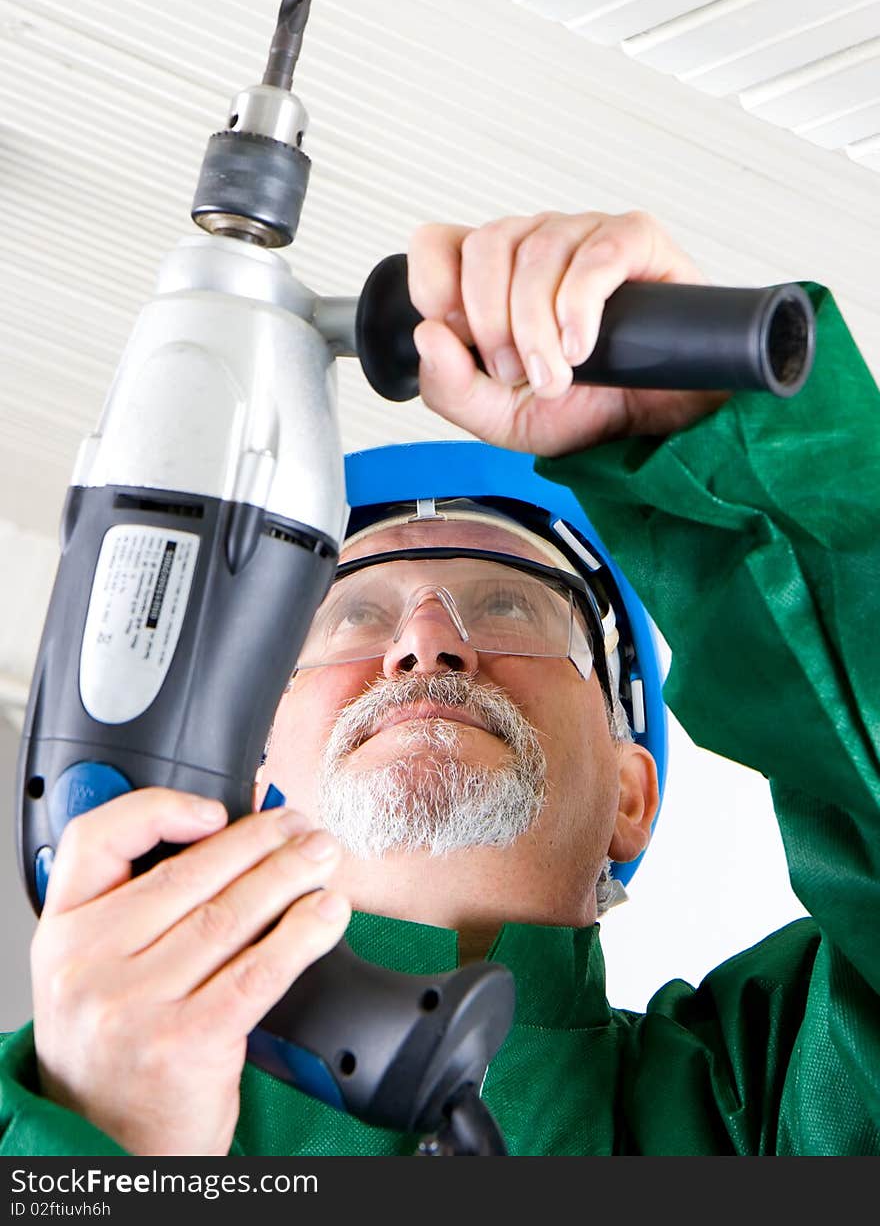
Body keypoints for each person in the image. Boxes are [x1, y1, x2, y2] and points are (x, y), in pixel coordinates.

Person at [0, 209, 877, 1156]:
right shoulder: (44, 1118)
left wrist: (714, 451)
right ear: (248, 791)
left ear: (630, 793)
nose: (424, 643)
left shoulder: (769, 1103)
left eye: (510, 608)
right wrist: (102, 1146)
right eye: (353, 618)